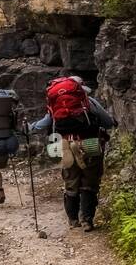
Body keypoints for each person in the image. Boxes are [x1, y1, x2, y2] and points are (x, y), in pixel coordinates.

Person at [28, 76, 117, 231]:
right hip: (89, 144)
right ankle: (87, 220)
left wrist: (28, 128)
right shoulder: (89, 102)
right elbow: (108, 122)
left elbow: (44, 124)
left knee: (70, 182)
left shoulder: (55, 105)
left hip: (65, 145)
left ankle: (73, 219)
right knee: (89, 182)